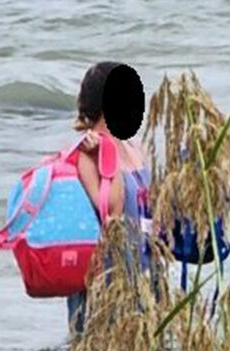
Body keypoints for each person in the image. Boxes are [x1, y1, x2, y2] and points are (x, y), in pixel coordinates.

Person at [68, 61, 153, 334]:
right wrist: (106, 156)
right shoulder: (86, 155)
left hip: (146, 273)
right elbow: (112, 212)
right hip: (109, 282)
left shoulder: (136, 147)